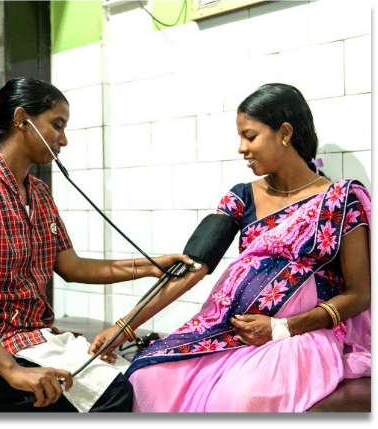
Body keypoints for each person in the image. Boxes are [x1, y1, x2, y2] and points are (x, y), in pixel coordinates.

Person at [88, 83, 371, 412]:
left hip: (297, 339)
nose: (241, 148)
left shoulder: (340, 200)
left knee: (237, 399)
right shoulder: (243, 196)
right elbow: (192, 266)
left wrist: (283, 327)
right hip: (229, 332)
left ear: (284, 133)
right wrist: (124, 327)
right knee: (149, 378)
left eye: (250, 136)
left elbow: (360, 293)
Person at [0, 77, 193, 413]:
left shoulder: (39, 195)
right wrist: (12, 371)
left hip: (28, 339)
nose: (64, 139)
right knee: (112, 394)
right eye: (56, 125)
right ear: (21, 119)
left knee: (134, 376)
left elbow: (71, 266)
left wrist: (151, 266)